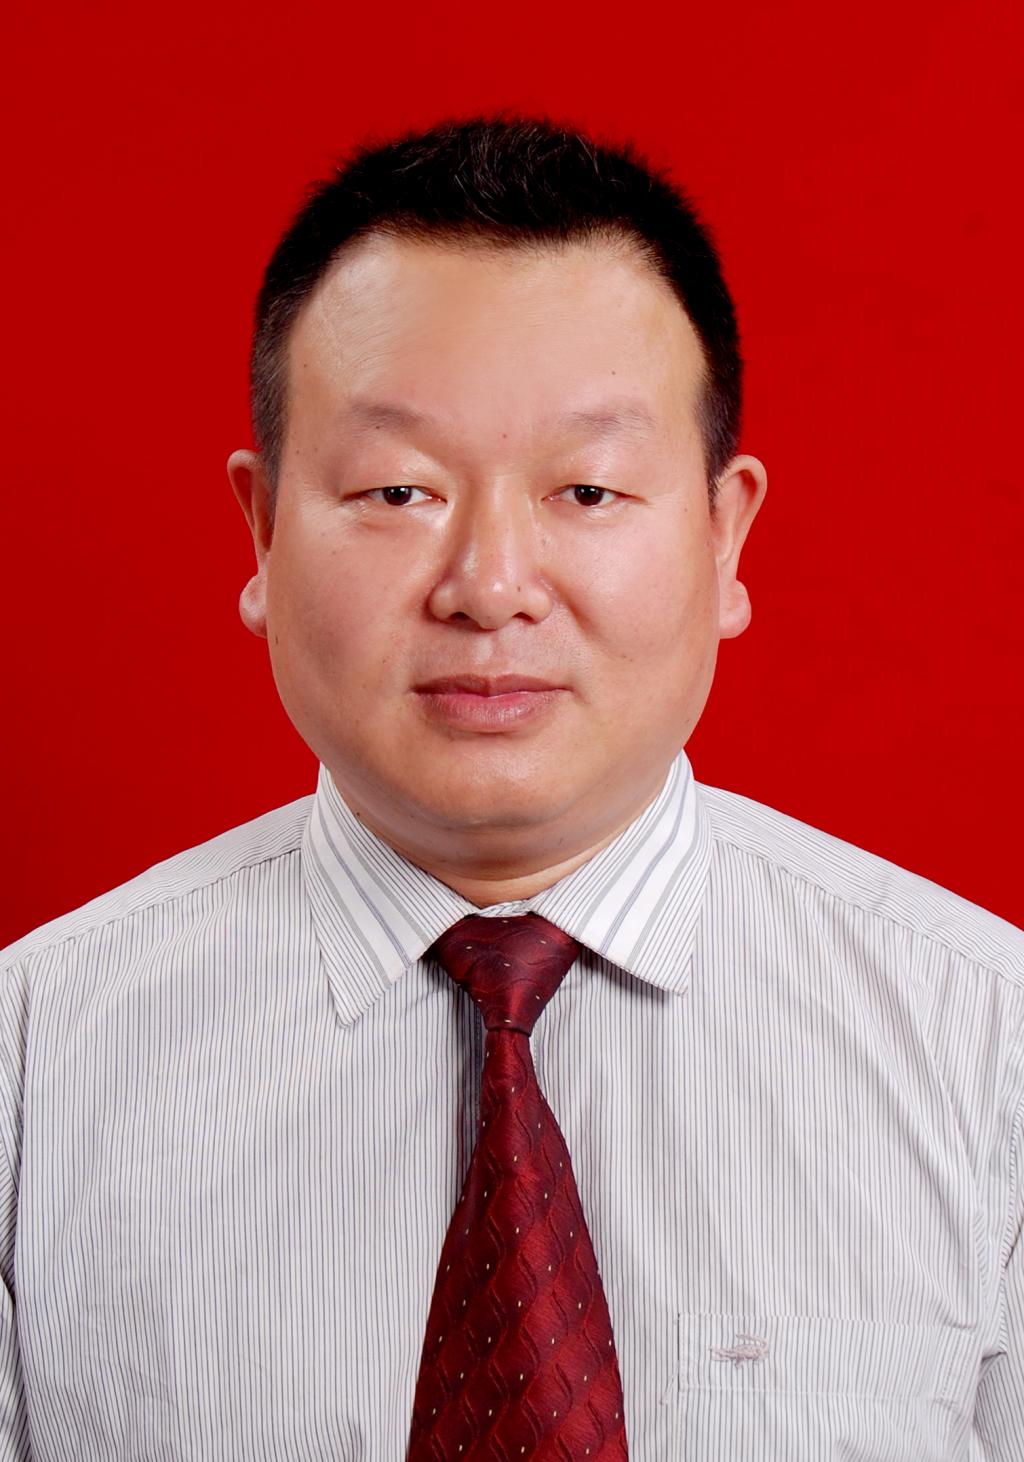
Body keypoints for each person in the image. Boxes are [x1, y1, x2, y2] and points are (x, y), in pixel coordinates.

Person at [1, 114, 1021, 1462]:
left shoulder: (990, 1052)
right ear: (260, 528)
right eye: (397, 490)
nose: (488, 587)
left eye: (586, 490)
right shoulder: (32, 1071)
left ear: (727, 535)